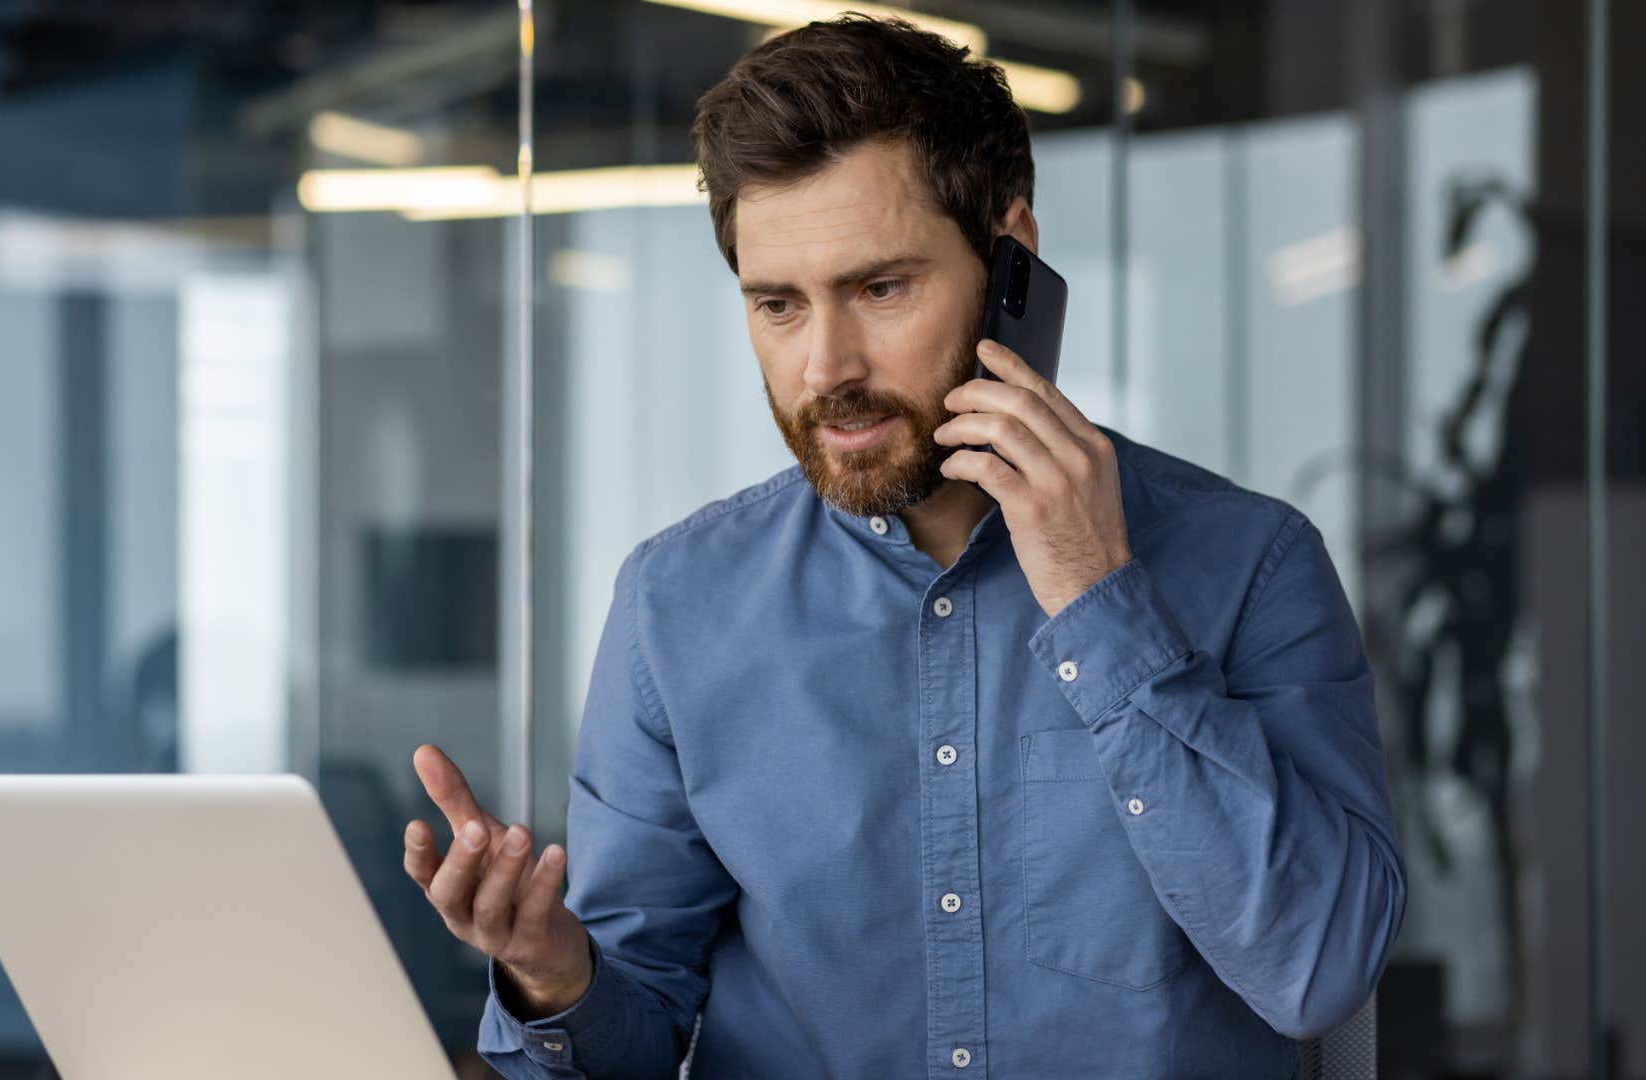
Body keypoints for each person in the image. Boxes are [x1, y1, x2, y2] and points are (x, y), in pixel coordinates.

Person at [402, 14, 1406, 1078]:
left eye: (880, 289)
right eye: (779, 305)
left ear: (1012, 255)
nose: (825, 366)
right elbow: (634, 1037)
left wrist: (1098, 599)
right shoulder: (677, 604)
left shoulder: (1251, 564)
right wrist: (556, 977)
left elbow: (1319, 971)